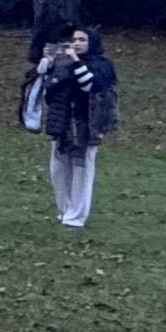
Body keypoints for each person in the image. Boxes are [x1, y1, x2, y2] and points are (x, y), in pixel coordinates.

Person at [38, 26, 117, 228]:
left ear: (92, 43)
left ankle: (76, 216)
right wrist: (49, 62)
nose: (76, 43)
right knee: (58, 169)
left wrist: (75, 61)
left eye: (82, 40)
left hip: (86, 124)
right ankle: (65, 210)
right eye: (74, 40)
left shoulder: (102, 65)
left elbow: (89, 85)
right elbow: (47, 87)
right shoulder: (63, 64)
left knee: (81, 169)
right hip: (63, 122)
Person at [28, 0, 65, 64]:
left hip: (49, 35)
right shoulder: (50, 6)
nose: (38, 0)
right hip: (51, 34)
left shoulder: (51, 7)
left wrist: (39, 31)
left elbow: (49, 21)